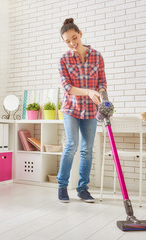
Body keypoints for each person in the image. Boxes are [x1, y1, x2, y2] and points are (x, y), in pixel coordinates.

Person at [57, 18, 107, 203]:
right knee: (71, 146)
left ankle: (83, 189)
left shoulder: (97, 56)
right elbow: (67, 87)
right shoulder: (64, 59)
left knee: (87, 150)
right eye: (67, 41)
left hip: (90, 111)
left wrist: (103, 99)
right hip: (71, 108)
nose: (72, 43)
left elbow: (102, 83)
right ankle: (62, 187)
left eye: (74, 37)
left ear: (80, 33)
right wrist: (88, 91)